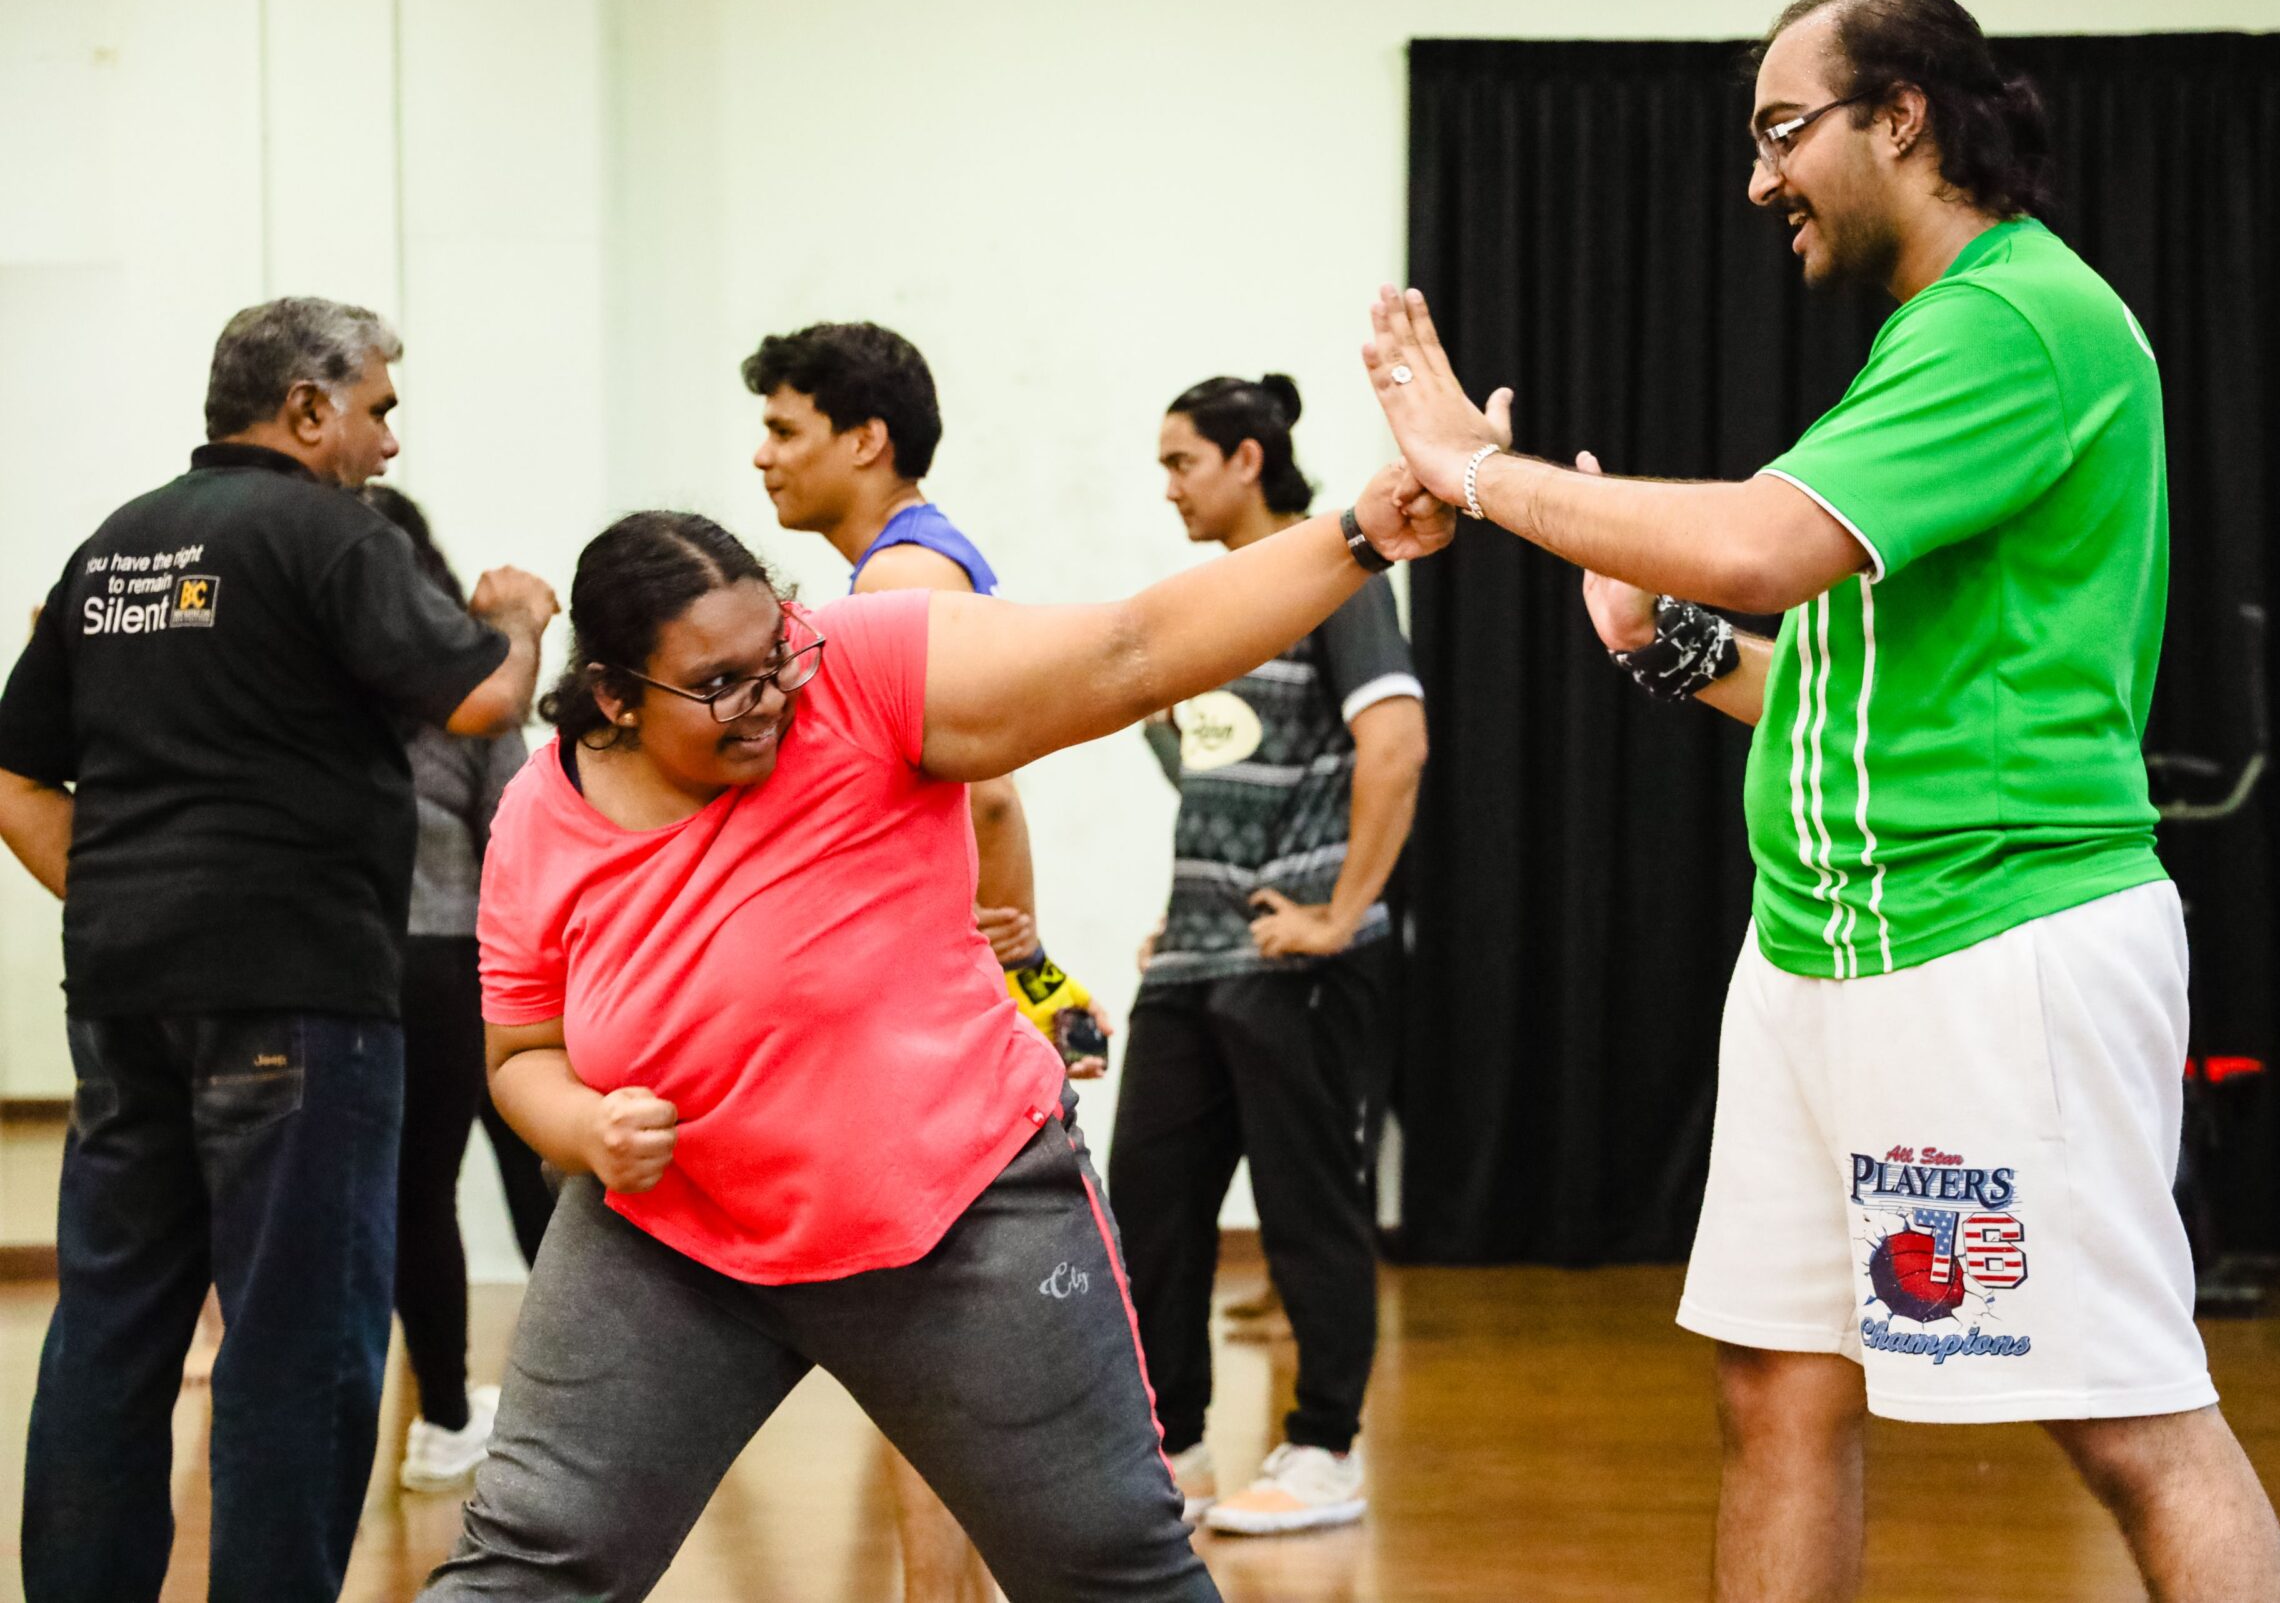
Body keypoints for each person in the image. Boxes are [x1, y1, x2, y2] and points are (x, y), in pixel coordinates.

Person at [1354, 0, 2280, 1603]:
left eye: (1784, 130)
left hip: (1994, 943)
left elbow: (1761, 545)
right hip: (1819, 954)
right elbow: (1838, 684)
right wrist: (1659, 646)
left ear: (1906, 117)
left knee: (2123, 1420)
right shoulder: (1933, 342)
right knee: (1776, 1385)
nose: (1758, 178)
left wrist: (1474, 473)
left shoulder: (2015, 317)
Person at [422, 467, 1450, 1600]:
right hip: (674, 1237)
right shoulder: (539, 810)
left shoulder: (858, 671)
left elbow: (1130, 647)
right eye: (720, 685)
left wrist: (1357, 534)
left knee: (1110, 1568)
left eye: (775, 655)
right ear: (614, 696)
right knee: (527, 1566)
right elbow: (521, 1056)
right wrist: (587, 1128)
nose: (768, 698)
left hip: (960, 1216)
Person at [0, 296, 557, 1602]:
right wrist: (522, 615)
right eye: (378, 409)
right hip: (297, 999)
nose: (389, 443)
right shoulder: (328, 534)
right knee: (299, 1343)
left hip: (126, 992)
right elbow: (482, 695)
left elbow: (18, 780)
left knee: (109, 1335)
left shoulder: (113, 547)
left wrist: (143, 893)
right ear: (307, 407)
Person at [743, 318, 1110, 1602]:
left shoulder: (897, 593)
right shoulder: (911, 573)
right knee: (941, 1346)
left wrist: (1009, 981)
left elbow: (992, 799)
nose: (761, 457)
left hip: (914, 1038)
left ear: (865, 439)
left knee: (932, 1345)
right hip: (924, 1022)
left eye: (785, 430)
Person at [1108, 374, 1429, 1535]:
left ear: (1248, 459)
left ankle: (1324, 1450)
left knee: (1307, 1209)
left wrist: (1339, 914)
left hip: (1297, 963)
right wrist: (1190, 898)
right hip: (1193, 962)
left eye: (1180, 461)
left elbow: (1395, 743)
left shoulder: (1331, 572)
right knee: (1147, 1206)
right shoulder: (1209, 601)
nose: (1168, 486)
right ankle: (1173, 1450)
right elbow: (1203, 770)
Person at [361, 484, 557, 1493]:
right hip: (462, 959)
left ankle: (443, 1416)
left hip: (373, 963)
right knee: (532, 1169)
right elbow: (514, 835)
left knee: (414, 1192)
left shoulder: (315, 676)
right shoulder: (470, 681)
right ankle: (560, 1408)